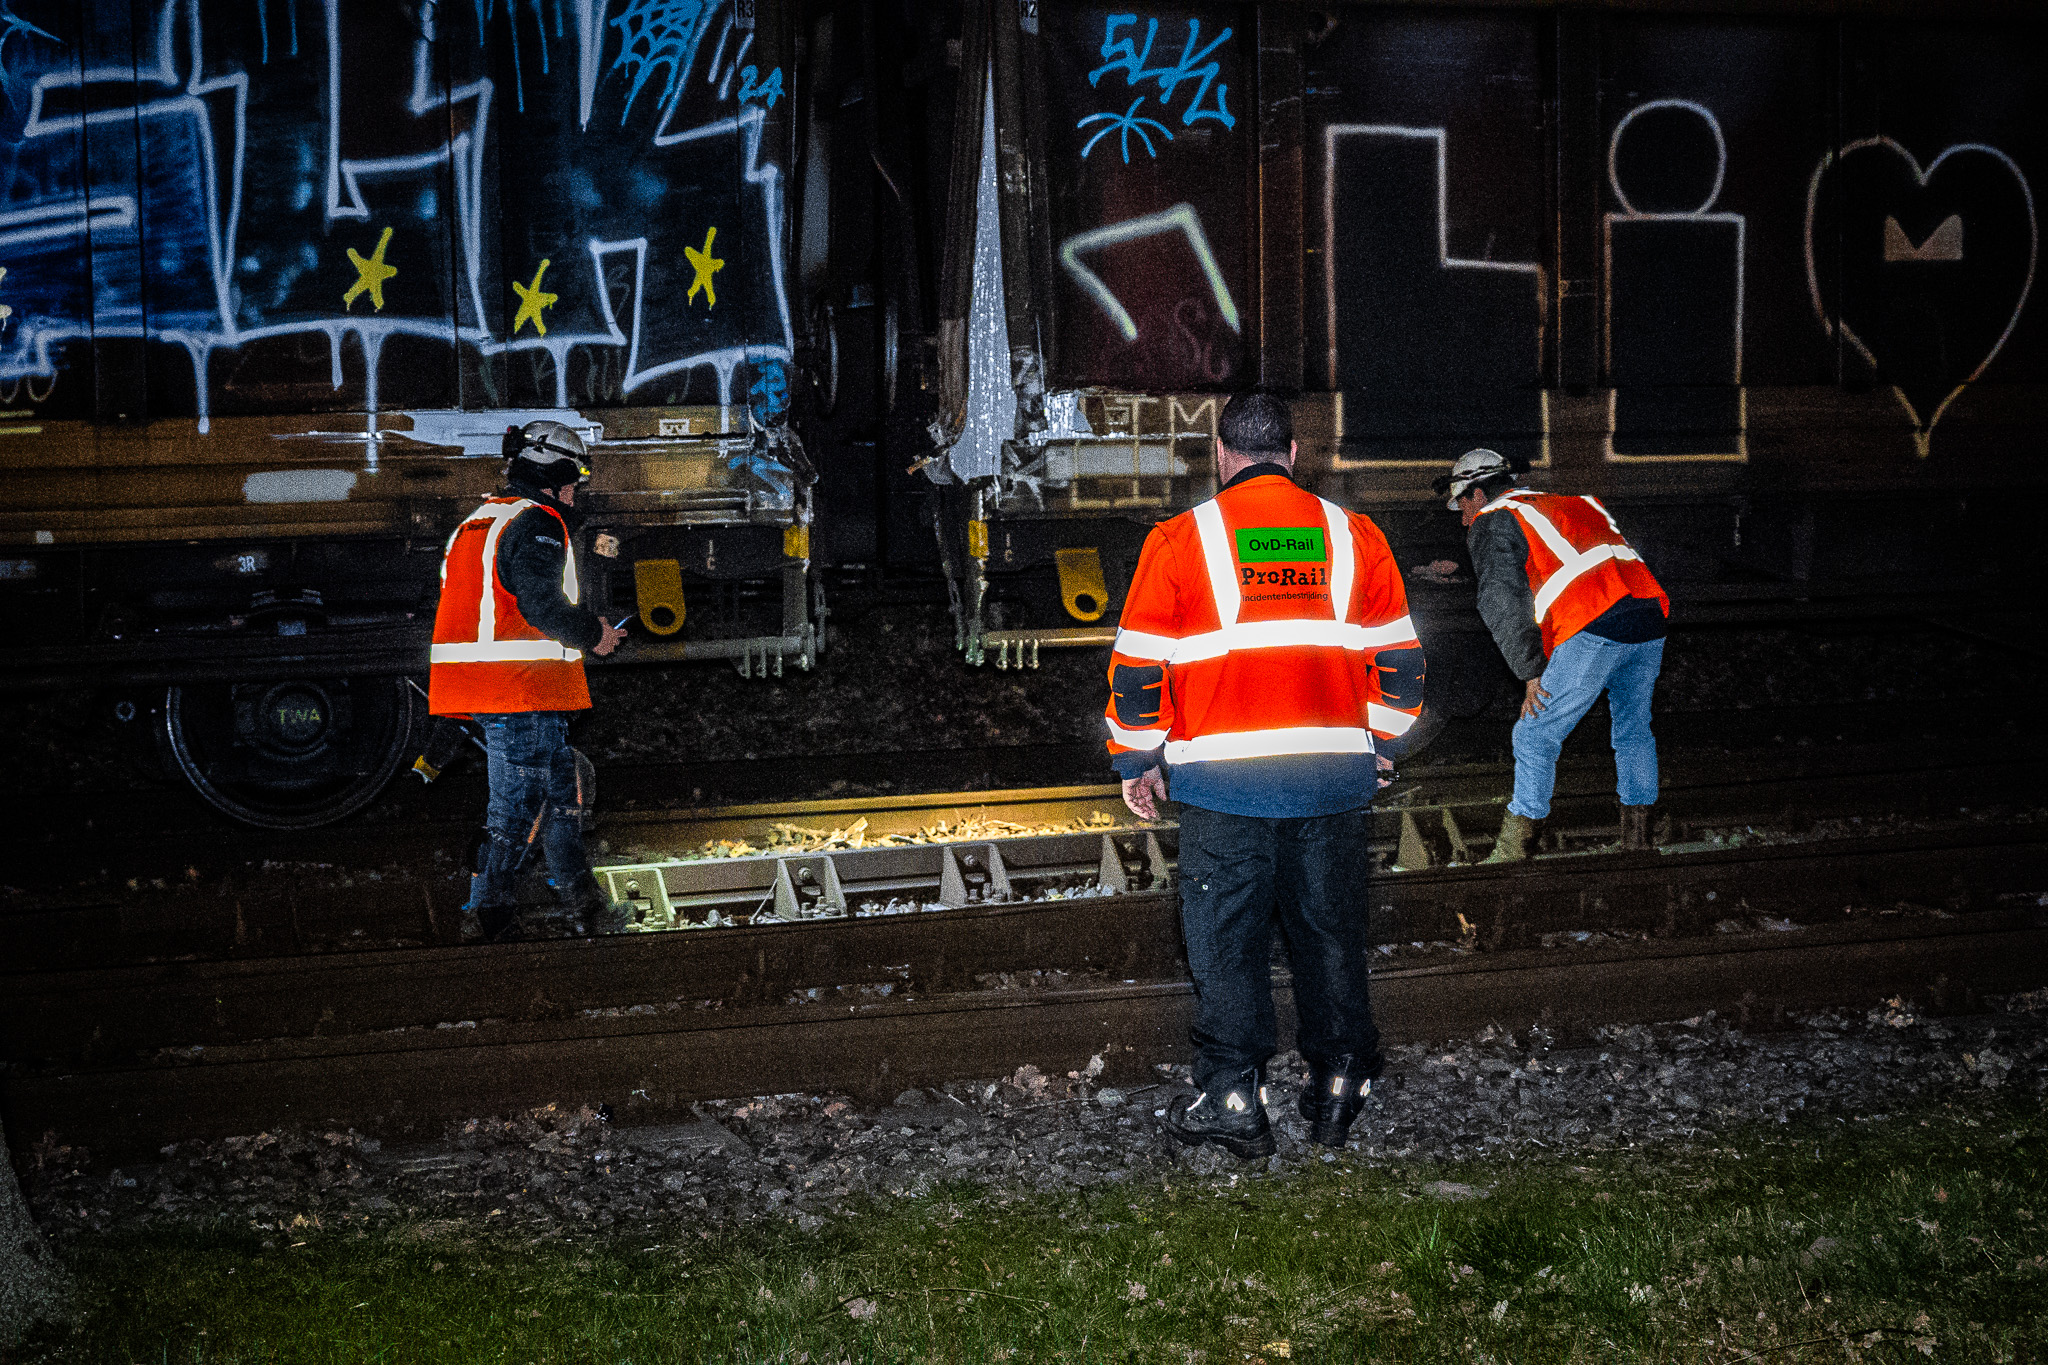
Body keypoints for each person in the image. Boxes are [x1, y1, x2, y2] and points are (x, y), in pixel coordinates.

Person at [1106, 393, 1425, 1158]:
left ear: (1222, 453)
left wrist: (1138, 759)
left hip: (1222, 785)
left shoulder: (1182, 539)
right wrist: (1378, 747)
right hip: (1330, 781)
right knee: (1329, 937)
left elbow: (1139, 672)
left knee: (1226, 944)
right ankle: (1338, 1091)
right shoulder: (1355, 536)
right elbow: (1402, 666)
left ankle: (1233, 1098)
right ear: (1293, 451)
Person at [428, 420, 630, 942]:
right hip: (520, 689)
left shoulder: (479, 520)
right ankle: (486, 915)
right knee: (514, 811)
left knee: (561, 792)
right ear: (555, 476)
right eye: (574, 479)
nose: (576, 491)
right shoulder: (538, 522)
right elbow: (541, 604)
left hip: (485, 687)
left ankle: (583, 905)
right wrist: (595, 634)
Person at [1435, 448, 1669, 861]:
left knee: (1534, 734)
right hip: (1648, 615)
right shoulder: (1569, 502)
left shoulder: (1493, 519)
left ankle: (1517, 846)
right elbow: (1564, 559)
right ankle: (1639, 839)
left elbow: (1500, 602)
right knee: (1633, 729)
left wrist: (1531, 672)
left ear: (1476, 492)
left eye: (1462, 505)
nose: (1462, 518)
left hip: (1595, 621)